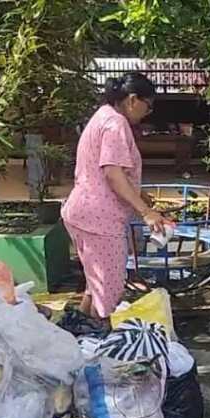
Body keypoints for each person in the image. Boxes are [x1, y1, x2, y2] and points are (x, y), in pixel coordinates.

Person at [62, 72, 167, 319]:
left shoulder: (103, 116)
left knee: (96, 283)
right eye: (148, 106)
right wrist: (146, 212)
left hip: (84, 212)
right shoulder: (116, 123)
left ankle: (80, 329)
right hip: (100, 219)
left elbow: (111, 173)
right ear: (132, 99)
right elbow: (112, 173)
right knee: (109, 290)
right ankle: (100, 345)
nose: (147, 113)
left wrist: (140, 196)